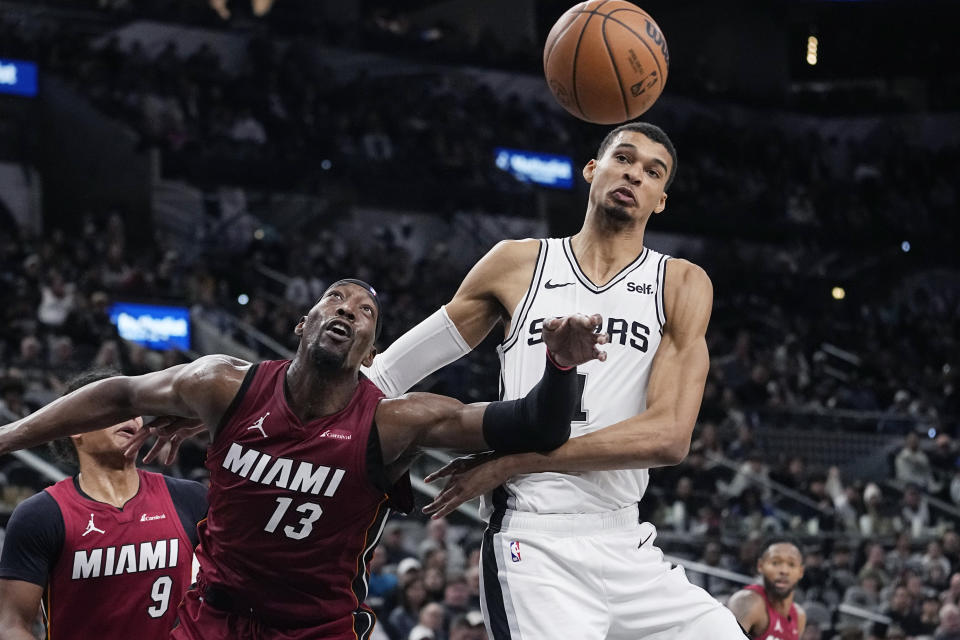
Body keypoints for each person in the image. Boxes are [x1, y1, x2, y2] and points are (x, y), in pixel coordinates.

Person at [0, 279, 606, 640]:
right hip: (214, 618)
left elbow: (537, 424)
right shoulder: (222, 385)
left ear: (369, 349)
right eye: (334, 300)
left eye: (364, 312)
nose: (347, 309)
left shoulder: (397, 422)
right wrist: (7, 437)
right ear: (302, 323)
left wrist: (562, 365)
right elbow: (118, 392)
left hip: (314, 629)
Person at [360, 122, 746, 638]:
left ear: (660, 200)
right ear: (592, 170)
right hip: (535, 541)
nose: (635, 174)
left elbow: (669, 437)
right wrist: (269, 398)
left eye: (653, 172)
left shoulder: (680, 282)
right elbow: (388, 373)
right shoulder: (517, 264)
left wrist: (515, 460)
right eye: (623, 158)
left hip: (625, 538)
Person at [0, 369, 208, 640]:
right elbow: (12, 624)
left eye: (134, 408)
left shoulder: (190, 498)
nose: (131, 416)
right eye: (112, 409)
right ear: (75, 428)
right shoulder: (41, 515)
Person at [727, 536, 807, 640]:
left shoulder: (799, 616)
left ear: (801, 572)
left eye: (791, 564)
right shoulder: (746, 602)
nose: (784, 571)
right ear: (760, 566)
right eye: (775, 563)